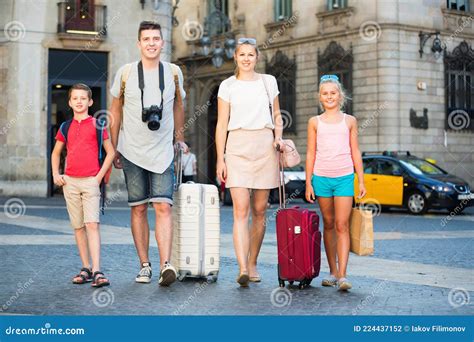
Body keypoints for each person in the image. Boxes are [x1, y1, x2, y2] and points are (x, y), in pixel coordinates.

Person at [109, 21, 187, 286]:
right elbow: (115, 112)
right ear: (139, 43)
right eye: (146, 39)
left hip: (163, 151)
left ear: (162, 43)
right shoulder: (126, 73)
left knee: (163, 206)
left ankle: (167, 264)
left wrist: (180, 138)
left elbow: (178, 106)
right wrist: (114, 145)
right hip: (131, 150)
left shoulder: (174, 72)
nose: (152, 43)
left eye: (156, 38)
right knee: (139, 208)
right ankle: (145, 265)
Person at [215, 37, 282, 287]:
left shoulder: (269, 82)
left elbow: (277, 115)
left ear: (257, 57)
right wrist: (220, 158)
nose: (246, 59)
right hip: (237, 146)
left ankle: (253, 262)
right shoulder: (227, 85)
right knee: (240, 210)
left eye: (250, 55)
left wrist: (278, 138)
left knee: (261, 210)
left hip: (265, 145)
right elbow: (222, 123)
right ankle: (242, 267)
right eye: (242, 54)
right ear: (235, 57)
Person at [305, 74, 366, 291]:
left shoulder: (350, 121)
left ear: (340, 95)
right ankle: (331, 271)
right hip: (321, 178)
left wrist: (361, 180)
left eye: (333, 92)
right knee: (328, 224)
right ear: (319, 97)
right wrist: (308, 183)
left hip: (344, 178)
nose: (329, 96)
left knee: (342, 225)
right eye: (325, 93)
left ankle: (342, 275)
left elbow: (355, 151)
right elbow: (311, 153)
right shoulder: (314, 122)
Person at [51, 83, 114, 288]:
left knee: (92, 224)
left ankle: (97, 270)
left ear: (90, 101)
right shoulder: (65, 127)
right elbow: (56, 153)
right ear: (70, 102)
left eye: (83, 98)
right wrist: (56, 174)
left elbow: (111, 152)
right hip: (70, 181)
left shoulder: (98, 124)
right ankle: (85, 267)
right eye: (75, 98)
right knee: (78, 227)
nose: (79, 101)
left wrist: (98, 178)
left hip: (90, 181)